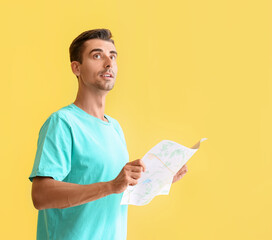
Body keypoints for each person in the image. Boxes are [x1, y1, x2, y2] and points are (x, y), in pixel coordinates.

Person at [29, 29, 188, 240]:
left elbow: (114, 191)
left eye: (112, 56)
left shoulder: (114, 128)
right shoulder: (62, 123)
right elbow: (41, 195)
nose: (108, 63)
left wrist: (160, 178)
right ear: (76, 68)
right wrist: (111, 186)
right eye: (97, 55)